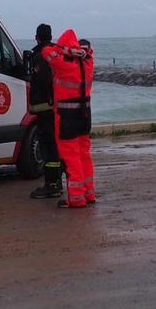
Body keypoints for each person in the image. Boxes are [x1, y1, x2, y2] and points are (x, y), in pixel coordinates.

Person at [42, 29, 96, 208]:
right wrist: (78, 52)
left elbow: (46, 51)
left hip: (66, 117)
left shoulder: (63, 62)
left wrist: (66, 51)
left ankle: (76, 197)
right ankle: (89, 193)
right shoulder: (87, 62)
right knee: (84, 156)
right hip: (84, 115)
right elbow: (89, 52)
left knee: (71, 157)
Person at [28, 24, 63, 199]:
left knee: (49, 149)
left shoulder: (40, 56)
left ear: (37, 37)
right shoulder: (56, 53)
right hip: (56, 109)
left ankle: (52, 185)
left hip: (45, 110)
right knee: (56, 146)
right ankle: (57, 183)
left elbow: (42, 81)